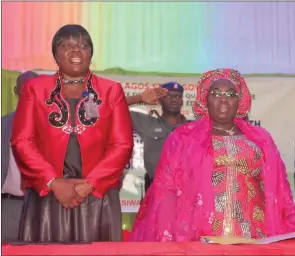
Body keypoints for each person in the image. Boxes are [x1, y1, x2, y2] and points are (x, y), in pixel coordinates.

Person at [129, 68, 295, 242]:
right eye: (216, 93)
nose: (223, 99)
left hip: (255, 236)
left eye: (230, 93)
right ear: (205, 100)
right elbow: (166, 192)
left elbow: (279, 190)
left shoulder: (260, 139)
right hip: (201, 236)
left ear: (240, 101)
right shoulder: (185, 139)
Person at [10, 24, 133, 242]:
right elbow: (22, 141)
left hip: (97, 196)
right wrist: (53, 182)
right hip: (48, 196)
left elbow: (121, 145)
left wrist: (89, 184)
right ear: (55, 54)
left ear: (90, 54)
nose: (76, 50)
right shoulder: (35, 89)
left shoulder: (111, 90)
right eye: (67, 45)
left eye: (83, 46)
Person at [126, 82, 189, 192]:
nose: (174, 100)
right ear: (159, 100)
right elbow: (108, 108)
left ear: (182, 101)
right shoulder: (147, 124)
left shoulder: (194, 127)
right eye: (168, 96)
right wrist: (139, 98)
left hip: (187, 191)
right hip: (155, 190)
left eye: (177, 96)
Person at [1, 71, 38, 242]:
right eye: (25, 91)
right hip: (9, 208)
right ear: (16, 91)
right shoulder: (3, 125)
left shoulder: (57, 128)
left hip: (43, 208)